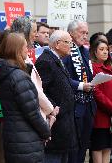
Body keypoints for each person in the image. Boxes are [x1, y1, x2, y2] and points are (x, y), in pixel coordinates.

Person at [0, 32, 51, 163]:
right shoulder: (18, 76)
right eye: (25, 46)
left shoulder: (6, 73)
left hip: (14, 135)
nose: (27, 50)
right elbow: (32, 113)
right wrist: (46, 131)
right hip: (26, 139)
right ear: (17, 49)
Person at [35, 30, 77, 163]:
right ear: (57, 44)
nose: (71, 45)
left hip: (63, 124)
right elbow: (40, 91)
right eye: (68, 42)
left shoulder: (56, 59)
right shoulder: (46, 61)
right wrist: (54, 108)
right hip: (55, 123)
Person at [11, 16, 58, 127]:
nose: (36, 35)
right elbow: (33, 87)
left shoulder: (23, 54)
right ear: (24, 33)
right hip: (27, 118)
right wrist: (50, 108)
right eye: (34, 31)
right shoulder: (18, 57)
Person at [63, 20, 96, 163]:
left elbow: (89, 74)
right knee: (74, 148)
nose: (85, 36)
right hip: (75, 105)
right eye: (82, 32)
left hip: (89, 104)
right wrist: (81, 86)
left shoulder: (86, 51)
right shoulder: (66, 51)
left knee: (84, 146)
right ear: (71, 33)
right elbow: (63, 78)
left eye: (87, 33)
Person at [89, 39, 112, 163]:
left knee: (108, 146)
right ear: (94, 51)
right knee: (98, 147)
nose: (105, 52)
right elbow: (96, 92)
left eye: (106, 49)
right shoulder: (93, 68)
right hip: (100, 115)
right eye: (101, 49)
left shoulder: (110, 67)